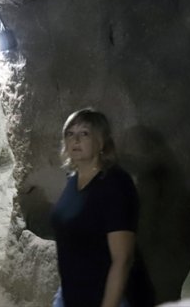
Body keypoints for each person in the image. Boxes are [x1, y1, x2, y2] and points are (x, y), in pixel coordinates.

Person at [50, 108, 153, 307]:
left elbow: (123, 259)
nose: (75, 140)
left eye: (84, 133)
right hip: (70, 293)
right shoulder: (73, 180)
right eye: (70, 134)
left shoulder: (115, 184)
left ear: (101, 142)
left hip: (103, 297)